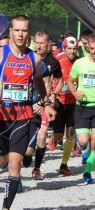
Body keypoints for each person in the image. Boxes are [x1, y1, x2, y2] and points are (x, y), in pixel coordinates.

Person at [0, 15, 56, 210]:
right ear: (11, 32)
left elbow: (38, 80)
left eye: (24, 31)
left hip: (23, 116)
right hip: (0, 117)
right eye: (17, 30)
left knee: (15, 166)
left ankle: (6, 207)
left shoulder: (35, 59)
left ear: (28, 33)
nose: (21, 34)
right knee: (2, 162)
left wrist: (45, 101)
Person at [23, 30, 63, 180]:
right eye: (37, 43)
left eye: (42, 43)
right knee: (27, 149)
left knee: (42, 135)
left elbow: (59, 80)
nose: (39, 46)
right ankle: (26, 157)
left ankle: (37, 168)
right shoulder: (30, 58)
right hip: (28, 103)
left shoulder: (53, 62)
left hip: (44, 104)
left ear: (48, 44)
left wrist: (52, 96)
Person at [67, 33, 95, 184]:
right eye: (92, 48)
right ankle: (85, 151)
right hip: (82, 108)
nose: (94, 52)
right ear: (88, 48)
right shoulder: (80, 63)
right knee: (84, 141)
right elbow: (70, 80)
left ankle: (87, 173)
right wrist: (74, 92)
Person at [52, 36, 78, 176]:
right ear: (64, 47)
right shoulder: (58, 60)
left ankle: (64, 165)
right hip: (60, 102)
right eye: (69, 48)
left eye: (74, 49)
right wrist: (52, 94)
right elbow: (50, 77)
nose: (72, 51)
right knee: (58, 135)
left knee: (70, 134)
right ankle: (53, 139)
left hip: (73, 102)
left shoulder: (79, 62)